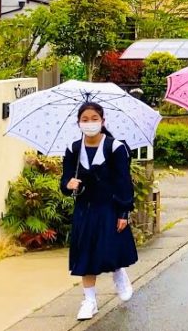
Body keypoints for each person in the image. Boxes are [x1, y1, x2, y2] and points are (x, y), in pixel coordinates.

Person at [61, 102, 138, 321]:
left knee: (109, 249)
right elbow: (65, 180)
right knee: (85, 254)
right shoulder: (73, 149)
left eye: (94, 118)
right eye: (85, 119)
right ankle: (89, 300)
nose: (90, 123)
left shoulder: (115, 148)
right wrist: (69, 185)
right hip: (85, 209)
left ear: (103, 121)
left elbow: (124, 182)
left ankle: (118, 274)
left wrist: (124, 212)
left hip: (110, 207)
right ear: (78, 123)